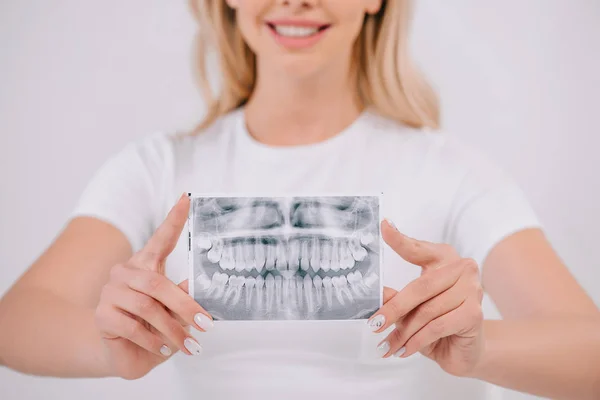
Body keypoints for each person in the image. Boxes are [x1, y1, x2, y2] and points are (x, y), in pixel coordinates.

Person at [1, 0, 599, 399]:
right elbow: (15, 323)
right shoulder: (154, 169)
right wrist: (109, 344)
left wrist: (481, 348)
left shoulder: (454, 171)